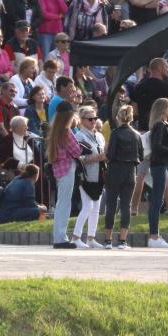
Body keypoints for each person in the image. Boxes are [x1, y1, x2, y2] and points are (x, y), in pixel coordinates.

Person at [102, 103, 142, 249]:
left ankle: (108, 240)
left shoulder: (115, 133)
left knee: (111, 205)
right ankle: (122, 240)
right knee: (126, 206)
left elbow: (110, 155)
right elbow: (141, 155)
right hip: (130, 171)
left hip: (115, 171)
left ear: (118, 117)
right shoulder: (136, 135)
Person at [146, 97, 168, 248]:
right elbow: (157, 146)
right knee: (157, 200)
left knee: (157, 200)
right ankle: (154, 236)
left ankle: (155, 235)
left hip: (163, 165)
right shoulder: (160, 125)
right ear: (162, 109)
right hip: (159, 164)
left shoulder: (163, 124)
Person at [46, 101, 83, 248]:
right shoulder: (66, 131)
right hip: (67, 169)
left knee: (62, 203)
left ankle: (59, 237)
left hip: (59, 169)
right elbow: (76, 151)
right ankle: (60, 238)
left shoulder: (55, 129)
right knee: (64, 205)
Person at [72, 105, 106, 248]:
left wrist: (103, 157)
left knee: (96, 207)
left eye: (95, 118)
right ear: (82, 120)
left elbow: (103, 153)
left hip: (99, 175)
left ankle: (91, 238)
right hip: (85, 175)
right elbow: (78, 158)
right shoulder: (79, 136)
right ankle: (75, 237)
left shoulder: (99, 136)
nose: (93, 121)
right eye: (90, 119)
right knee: (87, 206)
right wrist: (97, 157)